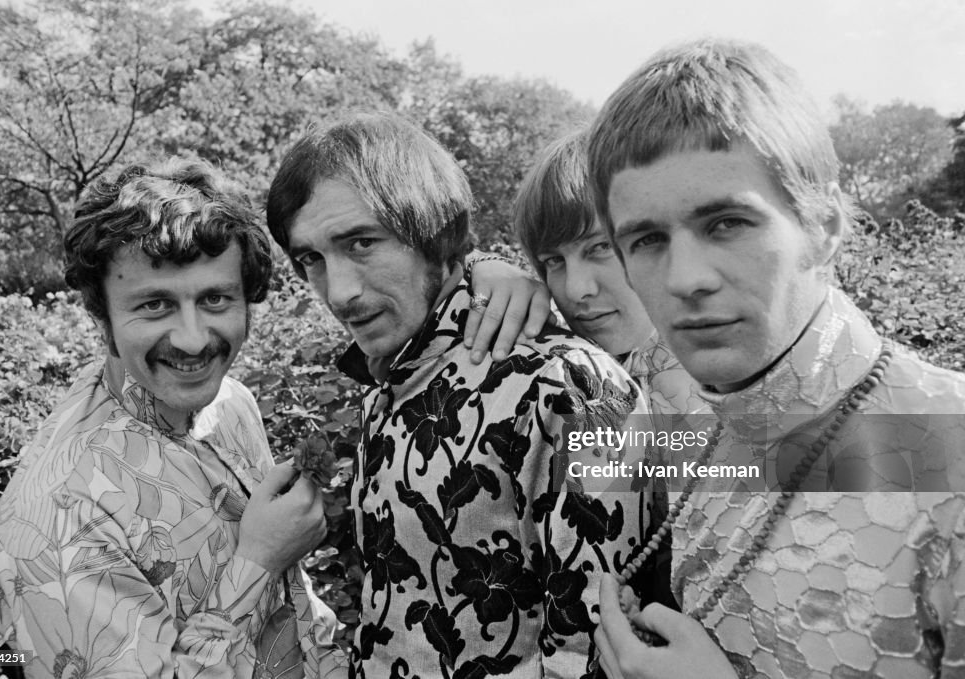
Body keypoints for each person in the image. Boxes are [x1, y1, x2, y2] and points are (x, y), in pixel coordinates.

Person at [587, 39, 965, 679]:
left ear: (824, 226)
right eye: (647, 240)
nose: (685, 279)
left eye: (727, 224)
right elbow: (593, 449)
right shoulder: (690, 414)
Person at [266, 111, 651, 679]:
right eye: (312, 260)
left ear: (435, 235)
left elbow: (592, 651)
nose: (340, 291)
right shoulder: (387, 392)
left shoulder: (563, 386)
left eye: (363, 243)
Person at [0, 159, 340, 678]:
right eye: (154, 305)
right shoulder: (58, 521)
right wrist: (260, 561)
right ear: (101, 316)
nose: (193, 340)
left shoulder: (231, 402)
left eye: (215, 299)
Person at [512, 129, 706, 611]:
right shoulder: (564, 379)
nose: (575, 289)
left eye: (599, 248)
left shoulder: (727, 386)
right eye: (553, 261)